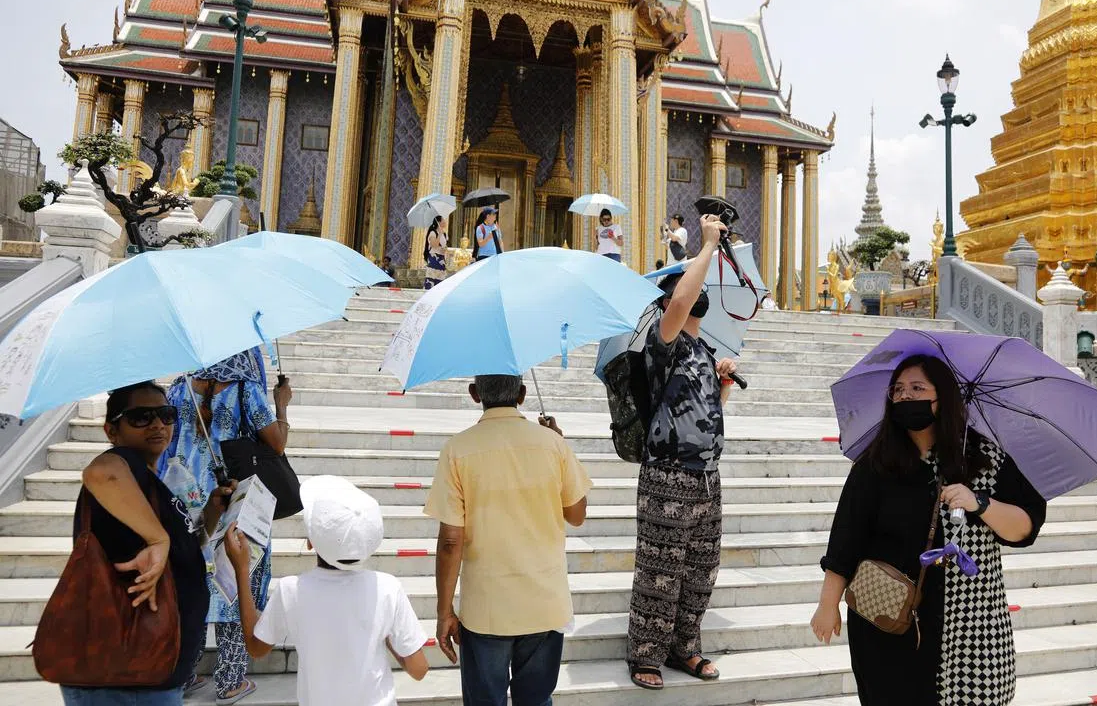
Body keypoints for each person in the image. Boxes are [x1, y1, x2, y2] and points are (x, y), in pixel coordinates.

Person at [811, 354, 1047, 706]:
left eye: (918, 388)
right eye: (899, 390)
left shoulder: (985, 458)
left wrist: (979, 503)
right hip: (889, 620)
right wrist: (827, 604)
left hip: (971, 625)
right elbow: (846, 538)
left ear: (944, 398)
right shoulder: (876, 464)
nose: (906, 397)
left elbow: (1024, 528)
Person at [424, 374, 592, 705]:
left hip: (486, 609)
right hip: (544, 604)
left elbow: (450, 542)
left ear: (474, 394)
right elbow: (577, 514)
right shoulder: (552, 444)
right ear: (523, 394)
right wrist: (559, 444)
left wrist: (444, 612)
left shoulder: (457, 449)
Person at [62, 382, 232, 706]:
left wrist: (212, 510)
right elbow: (99, 471)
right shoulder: (122, 463)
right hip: (126, 676)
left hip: (148, 671)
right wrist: (159, 537)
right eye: (141, 417)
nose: (157, 425)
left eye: (165, 415)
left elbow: (181, 551)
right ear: (112, 430)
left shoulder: (151, 483)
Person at [627, 214, 738, 691]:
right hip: (668, 474)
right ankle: (645, 655)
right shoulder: (664, 338)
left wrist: (725, 383)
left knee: (699, 571)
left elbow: (706, 409)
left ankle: (684, 647)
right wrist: (707, 246)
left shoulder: (703, 350)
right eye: (688, 290)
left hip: (707, 475)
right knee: (660, 569)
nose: (696, 297)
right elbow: (680, 300)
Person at [223, 475, 429, 706]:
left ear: (311, 542)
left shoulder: (291, 590)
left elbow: (256, 647)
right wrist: (386, 631)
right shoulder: (388, 588)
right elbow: (418, 669)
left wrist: (241, 570)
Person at [159, 349, 293, 704]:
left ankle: (186, 673)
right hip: (233, 499)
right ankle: (230, 680)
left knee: (194, 582)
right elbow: (276, 444)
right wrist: (282, 404)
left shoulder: (177, 388)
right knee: (234, 584)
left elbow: (165, 448)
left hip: (188, 501)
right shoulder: (243, 388)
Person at [424, 215, 449, 290]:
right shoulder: (433, 232)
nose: (445, 222)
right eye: (443, 220)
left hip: (441, 258)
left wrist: (444, 249)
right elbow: (434, 245)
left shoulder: (445, 234)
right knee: (431, 279)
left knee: (440, 280)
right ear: (438, 222)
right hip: (434, 258)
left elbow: (445, 246)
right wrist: (440, 234)